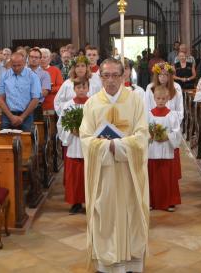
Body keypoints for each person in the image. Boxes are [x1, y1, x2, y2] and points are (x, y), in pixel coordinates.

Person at [79, 59, 149, 273]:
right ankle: (106, 263)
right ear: (99, 76)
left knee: (131, 213)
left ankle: (131, 262)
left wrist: (117, 145)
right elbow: (85, 137)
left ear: (123, 76)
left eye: (115, 75)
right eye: (106, 75)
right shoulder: (92, 103)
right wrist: (106, 147)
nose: (110, 80)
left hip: (130, 173)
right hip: (104, 173)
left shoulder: (136, 100)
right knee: (105, 213)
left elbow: (142, 134)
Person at [57, 78, 90, 214]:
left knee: (88, 175)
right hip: (74, 144)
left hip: (88, 143)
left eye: (84, 87)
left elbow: (99, 122)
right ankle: (75, 203)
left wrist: (85, 131)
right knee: (74, 176)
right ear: (74, 89)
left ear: (88, 88)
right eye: (78, 87)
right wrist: (71, 130)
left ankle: (89, 201)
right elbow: (61, 124)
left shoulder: (93, 103)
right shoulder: (68, 105)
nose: (81, 90)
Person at [147, 86, 182, 212]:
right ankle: (151, 201)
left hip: (167, 148)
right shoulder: (149, 114)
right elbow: (144, 130)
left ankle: (169, 201)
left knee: (167, 176)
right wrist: (151, 135)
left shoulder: (172, 115)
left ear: (167, 99)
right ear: (154, 98)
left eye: (163, 98)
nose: (160, 101)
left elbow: (177, 133)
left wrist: (167, 136)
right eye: (158, 98)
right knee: (152, 176)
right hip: (153, 150)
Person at [0, 52, 42, 132]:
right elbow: (1, 98)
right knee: (5, 142)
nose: (16, 68)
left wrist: (22, 117)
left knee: (26, 142)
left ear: (24, 63)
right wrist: (11, 116)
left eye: (19, 65)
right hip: (7, 114)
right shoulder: (4, 76)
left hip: (26, 115)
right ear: (10, 63)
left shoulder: (32, 76)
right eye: (14, 65)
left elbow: (35, 99)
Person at [28, 48, 52, 120]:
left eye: (36, 57)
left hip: (36, 107)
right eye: (32, 57)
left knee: (36, 130)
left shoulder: (45, 74)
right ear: (28, 58)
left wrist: (26, 94)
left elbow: (45, 92)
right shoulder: (22, 72)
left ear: (40, 59)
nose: (33, 59)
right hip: (21, 106)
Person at [40, 48, 64, 118]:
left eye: (45, 57)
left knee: (50, 126)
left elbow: (60, 87)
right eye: (41, 57)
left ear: (49, 59)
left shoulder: (55, 70)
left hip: (50, 104)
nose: (42, 59)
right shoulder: (34, 71)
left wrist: (49, 89)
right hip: (35, 105)